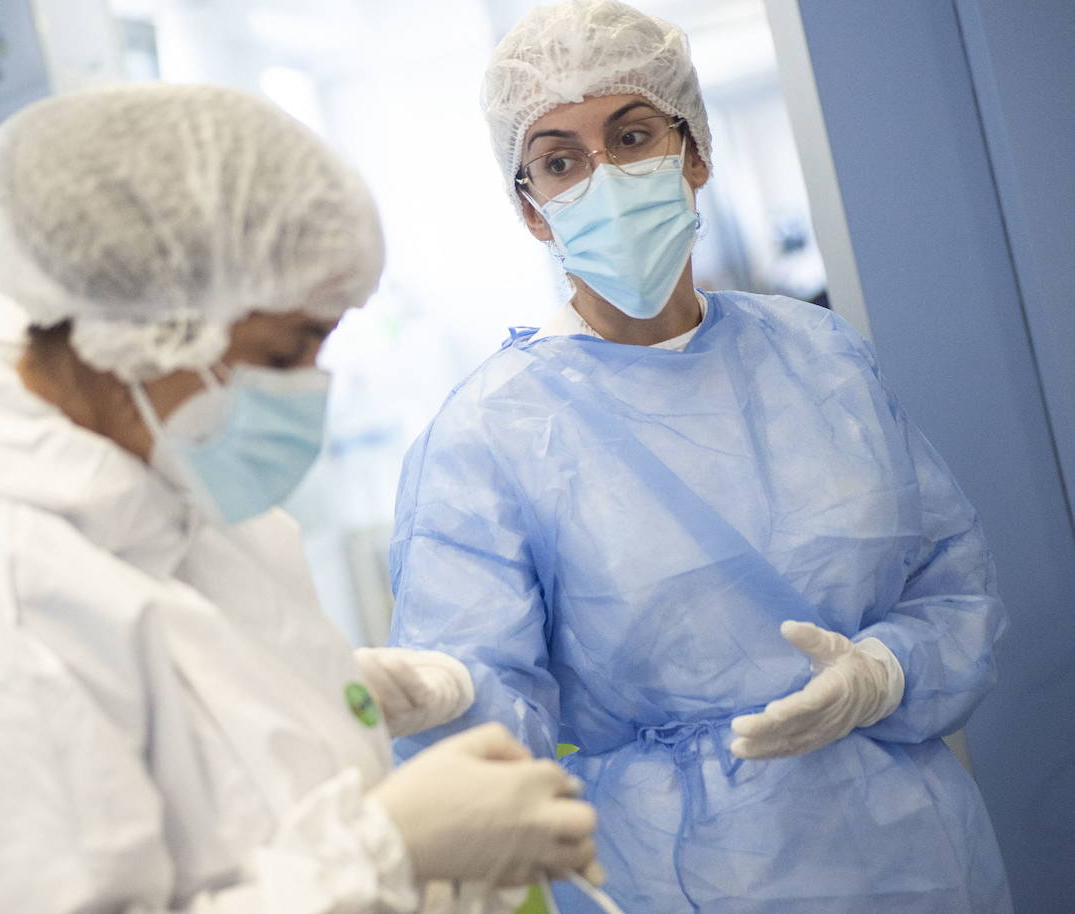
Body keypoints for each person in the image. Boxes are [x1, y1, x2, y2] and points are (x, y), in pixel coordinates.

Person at [0, 84, 601, 914]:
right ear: (148, 330)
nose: (310, 390)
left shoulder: (152, 495)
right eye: (283, 356)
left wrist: (319, 691)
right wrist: (383, 853)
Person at [386, 2, 1011, 912]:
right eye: (560, 159)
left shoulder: (819, 356)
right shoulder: (492, 434)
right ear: (531, 210)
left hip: (915, 859)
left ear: (696, 153)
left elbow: (952, 587)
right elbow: (484, 723)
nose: (603, 175)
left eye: (633, 134)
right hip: (679, 878)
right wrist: (441, 694)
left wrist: (884, 675)